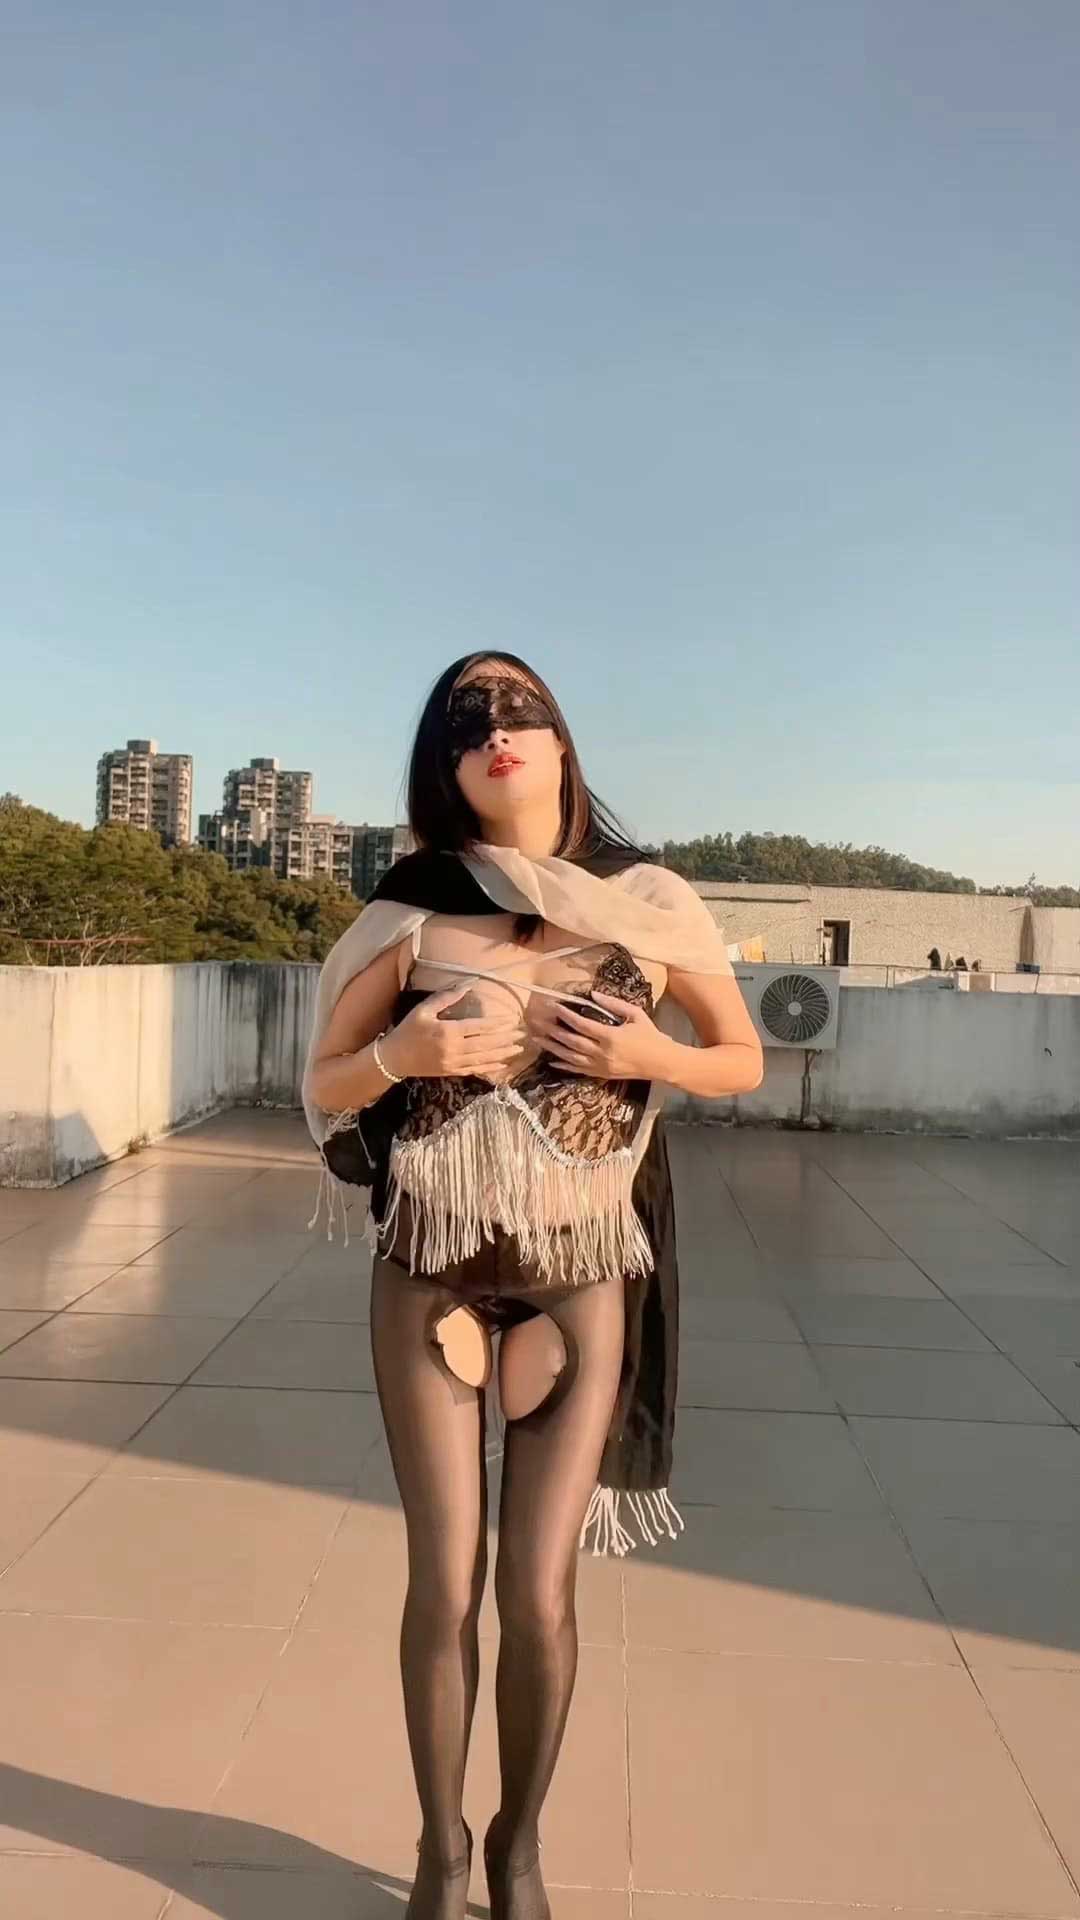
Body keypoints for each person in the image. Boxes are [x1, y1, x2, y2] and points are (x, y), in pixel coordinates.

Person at [302, 653, 763, 1920]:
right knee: (442, 1583)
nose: (495, 730)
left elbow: (741, 1057)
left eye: (519, 710)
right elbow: (324, 1083)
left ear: (561, 743)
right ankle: (440, 1853)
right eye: (466, 721)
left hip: (576, 1284)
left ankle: (517, 1850)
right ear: (442, 767)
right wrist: (403, 1049)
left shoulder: (649, 901)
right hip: (430, 1281)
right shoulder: (412, 906)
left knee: (537, 1593)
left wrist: (650, 1049)